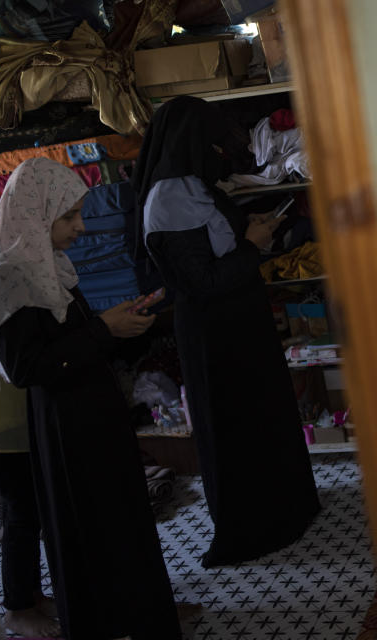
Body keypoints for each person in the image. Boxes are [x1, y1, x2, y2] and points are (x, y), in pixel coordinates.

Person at [0, 157, 182, 640]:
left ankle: (137, 612)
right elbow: (29, 368)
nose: (81, 227)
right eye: (69, 216)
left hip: (91, 411)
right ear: (36, 213)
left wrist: (115, 321)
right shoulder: (6, 276)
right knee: (90, 523)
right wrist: (104, 330)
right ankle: (108, 621)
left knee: (118, 516)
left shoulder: (48, 264)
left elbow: (68, 338)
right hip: (66, 422)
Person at [131, 96, 320, 568]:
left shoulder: (192, 184)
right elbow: (200, 283)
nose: (219, 154)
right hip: (217, 334)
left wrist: (247, 230)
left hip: (240, 323)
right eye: (213, 144)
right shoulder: (170, 198)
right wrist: (252, 247)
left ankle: (285, 511)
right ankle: (252, 527)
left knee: (262, 416)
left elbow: (215, 245)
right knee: (236, 426)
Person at [0, 141, 59, 637]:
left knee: (31, 498)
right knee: (23, 502)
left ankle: (30, 596)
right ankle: (19, 608)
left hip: (7, 386)